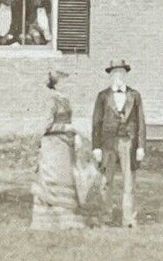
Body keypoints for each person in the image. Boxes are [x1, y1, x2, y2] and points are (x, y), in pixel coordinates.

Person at [91, 59, 145, 228]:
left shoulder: (134, 95)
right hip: (107, 143)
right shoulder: (103, 96)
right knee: (106, 182)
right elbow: (96, 123)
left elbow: (141, 122)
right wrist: (96, 147)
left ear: (126, 74)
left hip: (128, 142)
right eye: (115, 73)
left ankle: (129, 219)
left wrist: (141, 146)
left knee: (129, 182)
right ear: (110, 76)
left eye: (121, 72)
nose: (118, 76)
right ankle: (106, 218)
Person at [31, 72, 85, 230]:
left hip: (65, 145)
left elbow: (69, 121)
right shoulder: (51, 99)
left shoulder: (65, 99)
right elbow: (45, 126)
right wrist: (66, 128)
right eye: (64, 81)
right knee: (54, 178)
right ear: (56, 82)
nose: (67, 83)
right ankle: (48, 221)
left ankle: (66, 220)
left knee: (66, 179)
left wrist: (74, 135)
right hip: (52, 145)